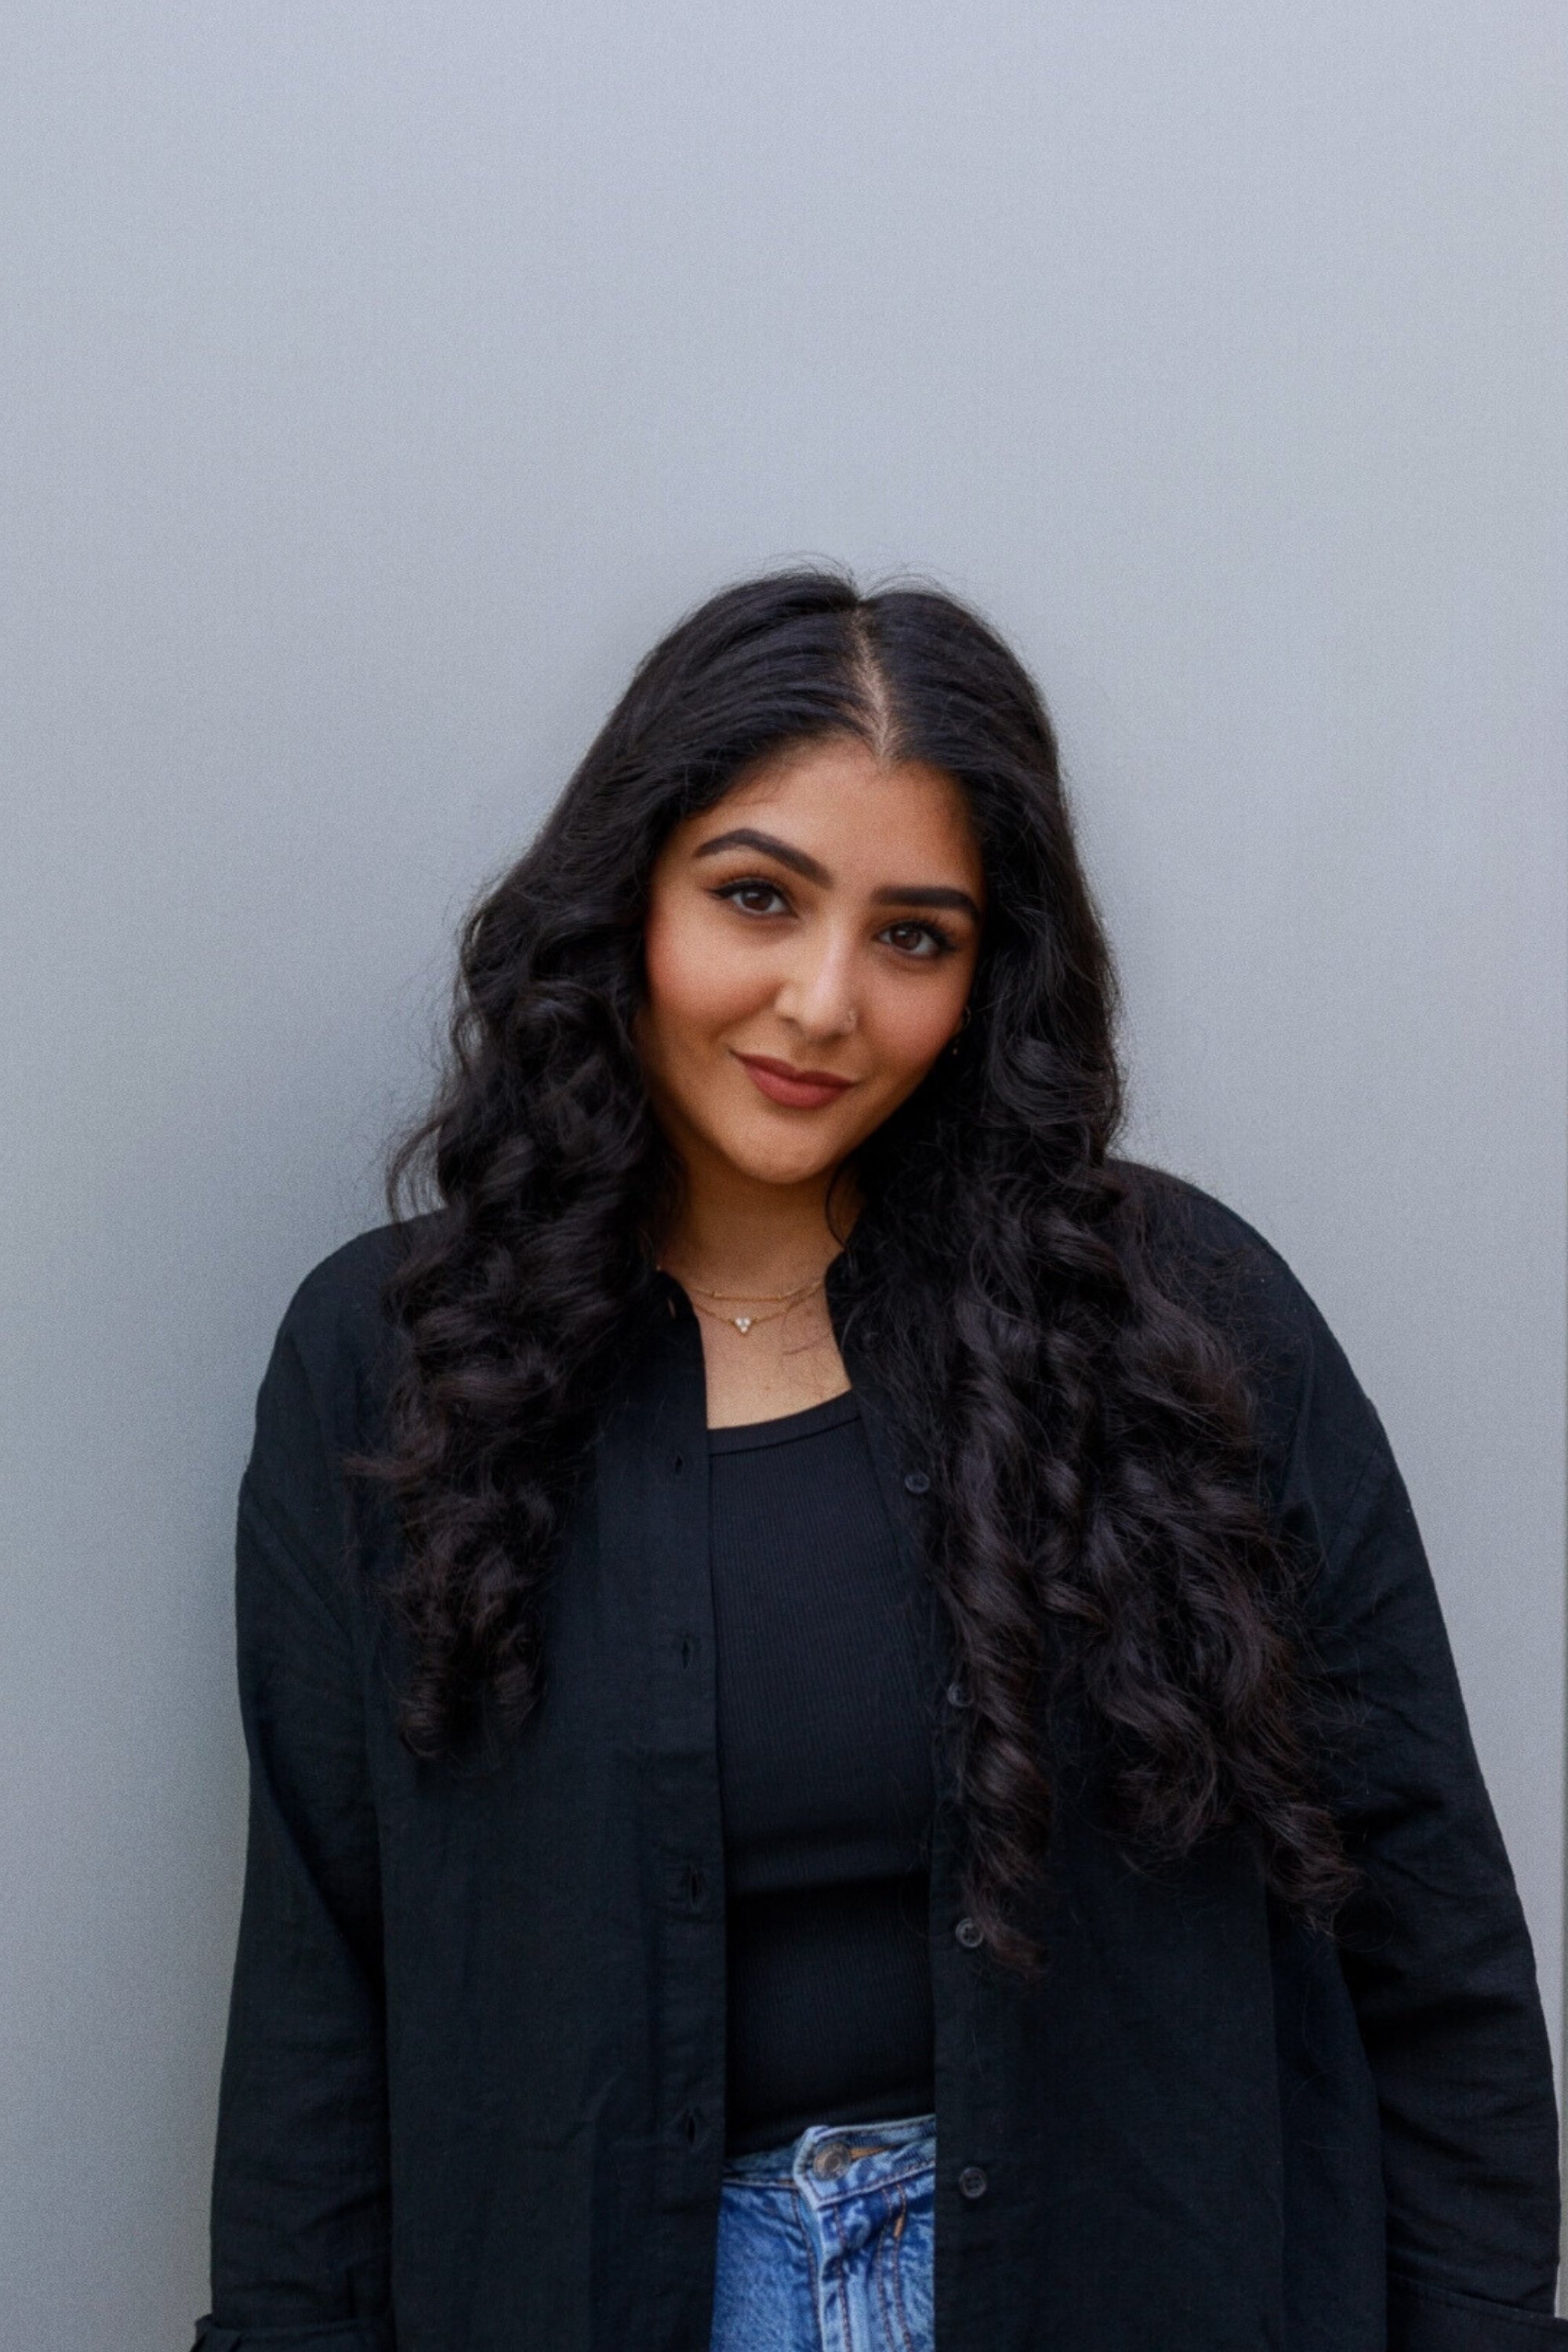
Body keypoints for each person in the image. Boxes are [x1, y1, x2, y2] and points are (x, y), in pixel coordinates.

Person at [191, 572, 1565, 2352]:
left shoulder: (1184, 1325)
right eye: (756, 896)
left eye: (915, 936)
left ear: (992, 977)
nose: (824, 1000)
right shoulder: (389, 1368)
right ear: (626, 895)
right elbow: (319, 2008)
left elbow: (1427, 1928)